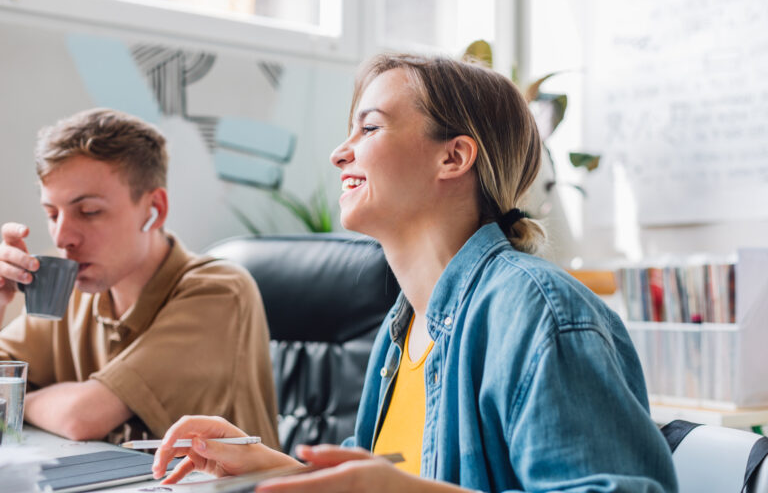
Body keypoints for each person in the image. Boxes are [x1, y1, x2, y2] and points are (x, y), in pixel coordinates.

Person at [152, 54, 677, 492]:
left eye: (370, 126)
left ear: (453, 156)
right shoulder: (403, 326)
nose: (340, 153)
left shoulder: (538, 312)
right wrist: (272, 467)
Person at [0, 108, 279, 448]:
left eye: (88, 212)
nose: (62, 238)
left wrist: (17, 400)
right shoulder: (73, 293)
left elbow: (82, 417)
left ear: (154, 210)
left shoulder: (220, 291)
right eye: (52, 214)